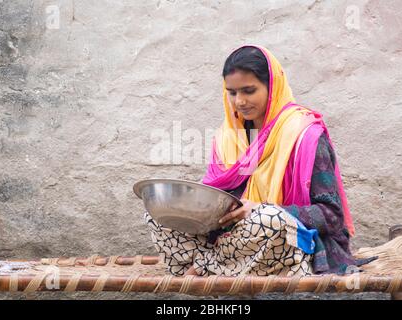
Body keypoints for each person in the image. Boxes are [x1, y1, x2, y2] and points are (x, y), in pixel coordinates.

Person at [144, 44, 357, 277]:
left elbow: (332, 216)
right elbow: (221, 199)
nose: (239, 101)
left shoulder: (304, 135)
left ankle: (206, 267)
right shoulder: (229, 136)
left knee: (269, 219)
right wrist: (197, 206)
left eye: (249, 90)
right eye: (232, 92)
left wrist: (260, 209)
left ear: (272, 87)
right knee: (160, 216)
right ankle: (218, 264)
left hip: (288, 245)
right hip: (235, 242)